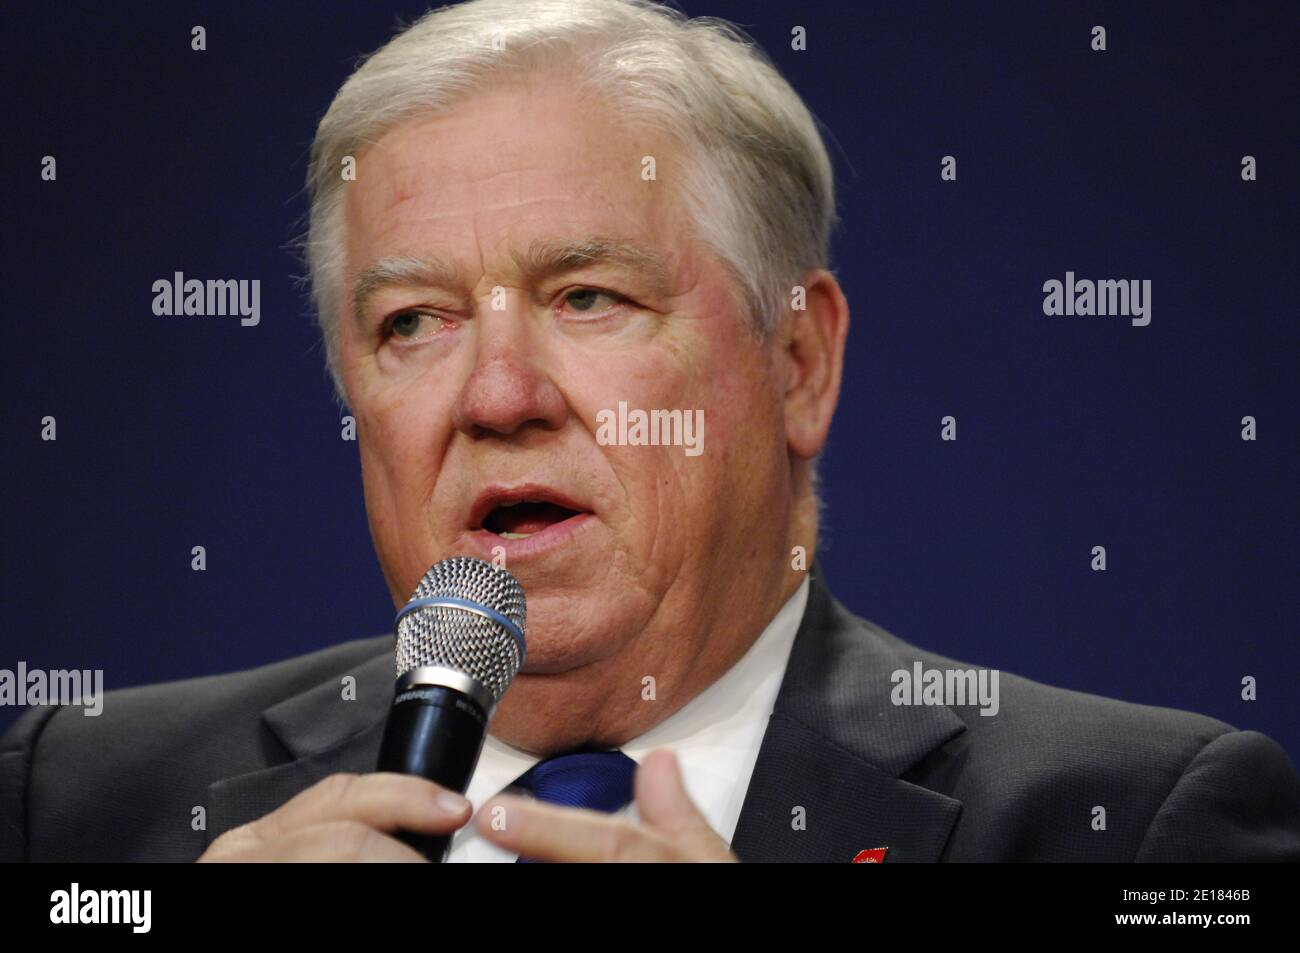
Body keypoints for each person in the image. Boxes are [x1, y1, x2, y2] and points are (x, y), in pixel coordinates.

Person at [2, 0, 1297, 863]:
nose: (498, 393)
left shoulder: (1133, 825)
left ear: (799, 360)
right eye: (413, 321)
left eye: (588, 297)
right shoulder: (74, 805)